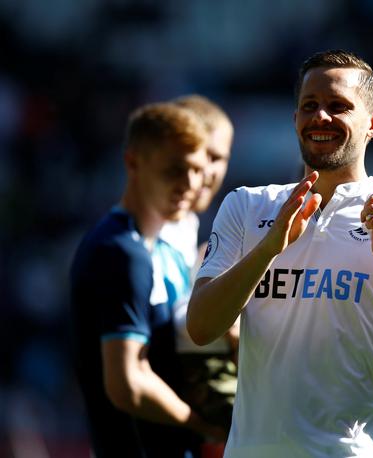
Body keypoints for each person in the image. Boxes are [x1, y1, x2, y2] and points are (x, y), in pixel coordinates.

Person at [186, 49, 373, 458]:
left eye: (338, 107)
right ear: (295, 119)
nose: (321, 117)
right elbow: (201, 327)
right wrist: (269, 248)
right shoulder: (247, 207)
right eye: (309, 106)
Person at [70, 102, 225, 457]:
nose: (189, 183)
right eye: (174, 169)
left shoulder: (158, 250)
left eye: (197, 169)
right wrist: (202, 423)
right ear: (133, 162)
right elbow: (128, 384)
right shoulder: (121, 251)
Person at [157, 94, 237, 454]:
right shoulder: (135, 242)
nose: (204, 173)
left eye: (216, 158)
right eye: (193, 157)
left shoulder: (191, 234)